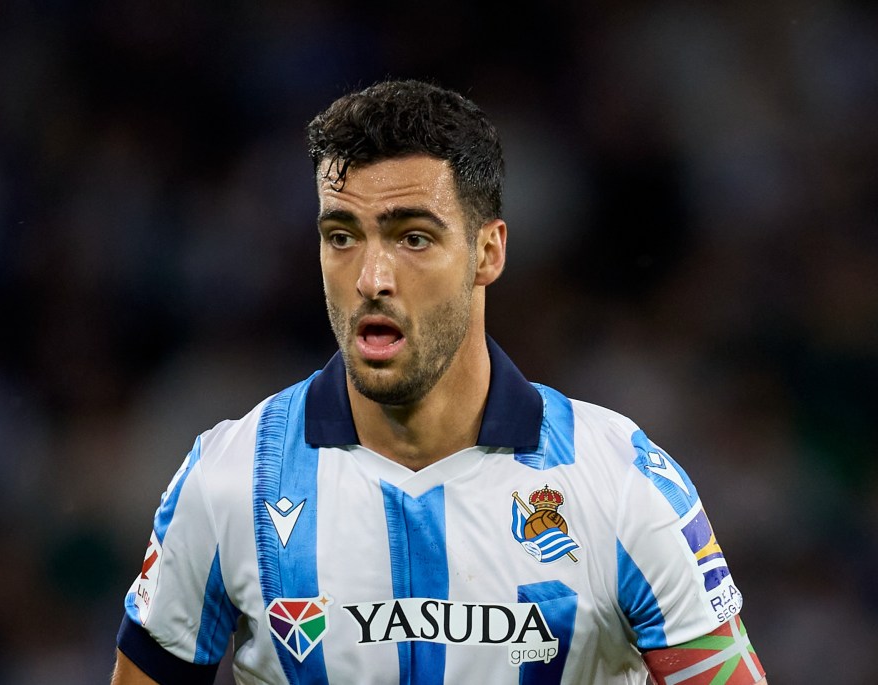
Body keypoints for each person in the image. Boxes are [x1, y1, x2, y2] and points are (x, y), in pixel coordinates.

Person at [111, 79, 767, 685]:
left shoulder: (622, 485)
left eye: (413, 238)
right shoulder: (229, 479)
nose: (372, 277)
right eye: (342, 236)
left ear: (489, 251)